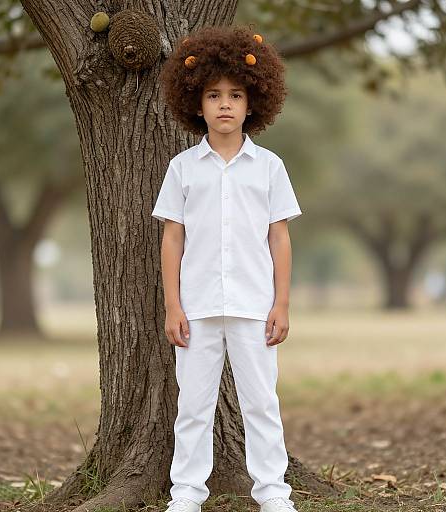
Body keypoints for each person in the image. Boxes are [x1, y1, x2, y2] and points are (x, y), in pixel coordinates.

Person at [152, 24, 303, 512]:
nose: (224, 104)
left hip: (254, 306)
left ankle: (273, 492)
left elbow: (279, 237)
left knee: (261, 403)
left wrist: (280, 303)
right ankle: (187, 495)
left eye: (235, 95)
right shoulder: (182, 169)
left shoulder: (269, 167)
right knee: (192, 407)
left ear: (252, 102)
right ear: (196, 104)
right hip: (194, 308)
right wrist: (173, 305)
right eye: (213, 95)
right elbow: (171, 238)